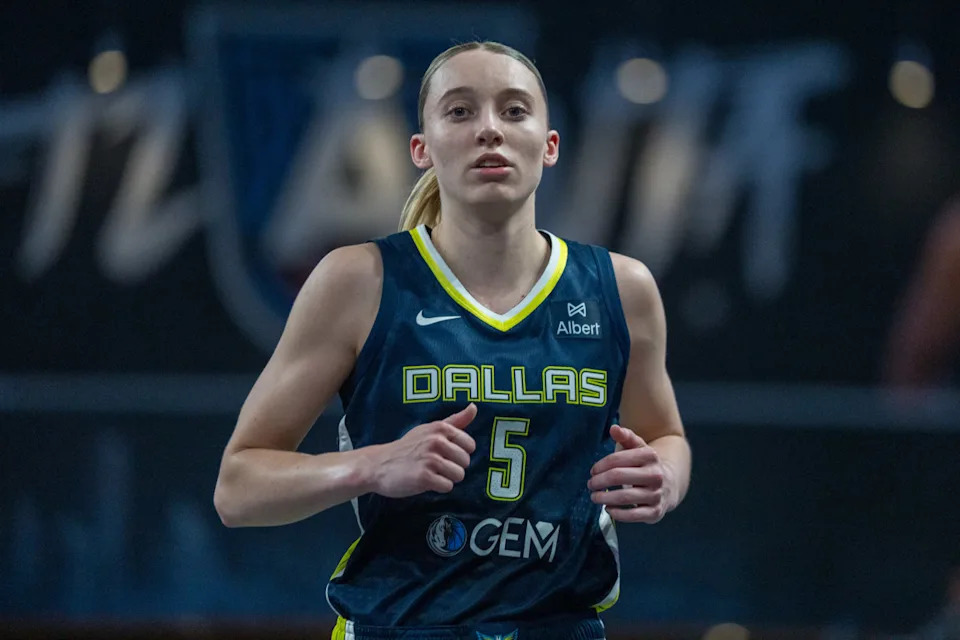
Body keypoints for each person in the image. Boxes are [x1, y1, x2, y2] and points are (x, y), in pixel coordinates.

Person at [213, 41, 691, 640]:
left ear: (550, 145)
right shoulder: (359, 280)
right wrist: (372, 465)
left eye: (514, 110)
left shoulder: (621, 288)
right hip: (400, 627)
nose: (489, 129)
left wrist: (666, 477)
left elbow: (667, 437)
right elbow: (239, 488)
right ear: (422, 148)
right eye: (460, 111)